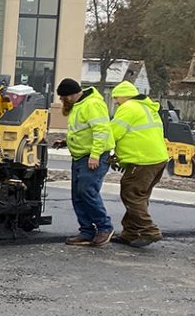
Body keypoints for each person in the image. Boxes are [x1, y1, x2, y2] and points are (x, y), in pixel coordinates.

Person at [107, 80, 168, 247]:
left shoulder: (128, 108)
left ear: (124, 96)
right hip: (157, 159)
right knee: (139, 196)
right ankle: (130, 233)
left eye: (116, 98)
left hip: (142, 160)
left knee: (131, 194)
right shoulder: (147, 107)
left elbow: (112, 133)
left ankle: (149, 230)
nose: (115, 102)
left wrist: (100, 149)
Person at [57, 77, 113, 247]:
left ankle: (104, 227)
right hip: (80, 156)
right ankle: (87, 231)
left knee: (87, 191)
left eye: (62, 97)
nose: (61, 100)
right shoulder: (80, 105)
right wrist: (67, 141)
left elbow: (101, 130)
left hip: (92, 157)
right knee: (78, 194)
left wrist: (95, 155)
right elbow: (83, 130)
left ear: (69, 95)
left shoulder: (92, 104)